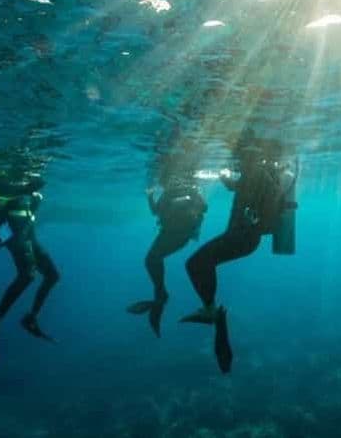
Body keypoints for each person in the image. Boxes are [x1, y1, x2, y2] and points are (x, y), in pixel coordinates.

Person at [180, 131, 297, 373]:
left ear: (250, 157)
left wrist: (253, 221)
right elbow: (235, 185)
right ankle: (213, 313)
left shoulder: (256, 175)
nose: (238, 161)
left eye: (240, 157)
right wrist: (224, 177)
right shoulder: (254, 174)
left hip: (242, 239)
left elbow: (260, 208)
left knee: (196, 264)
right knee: (199, 263)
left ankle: (212, 312)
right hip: (241, 238)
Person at [0, 170, 60, 363]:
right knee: (28, 275)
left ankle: (30, 318)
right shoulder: (6, 180)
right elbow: (11, 193)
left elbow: (29, 206)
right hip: (15, 233)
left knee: (52, 275)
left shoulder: (25, 183)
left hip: (27, 232)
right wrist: (29, 187)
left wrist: (33, 196)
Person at [127, 176, 207, 337]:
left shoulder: (169, 192)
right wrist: (196, 193)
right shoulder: (191, 189)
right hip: (182, 237)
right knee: (153, 259)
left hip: (170, 235)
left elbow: (155, 211)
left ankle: (161, 293)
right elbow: (204, 207)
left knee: (151, 259)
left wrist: (150, 195)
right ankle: (161, 293)